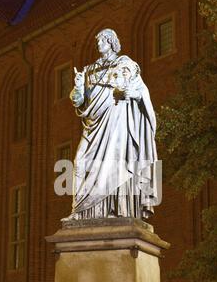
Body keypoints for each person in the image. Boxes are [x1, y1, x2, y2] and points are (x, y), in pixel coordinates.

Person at [65, 28, 159, 220]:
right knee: (80, 162)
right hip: (93, 124)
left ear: (111, 42)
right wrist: (78, 86)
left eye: (102, 41)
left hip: (116, 121)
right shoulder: (90, 70)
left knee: (115, 164)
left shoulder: (124, 64)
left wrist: (131, 93)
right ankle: (80, 211)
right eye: (98, 41)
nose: (98, 44)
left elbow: (140, 91)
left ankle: (118, 210)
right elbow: (79, 101)